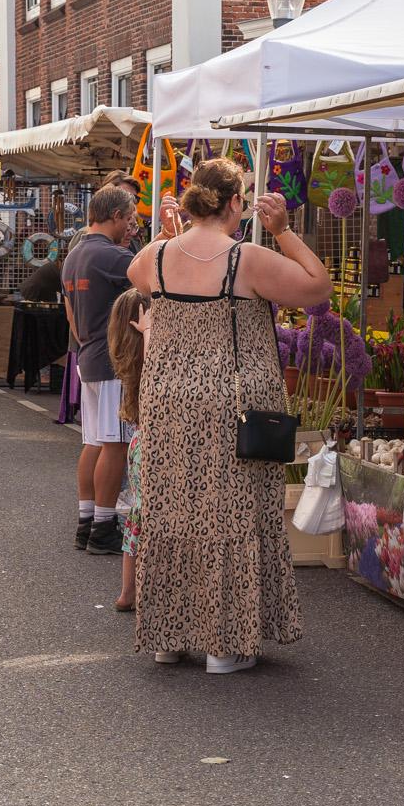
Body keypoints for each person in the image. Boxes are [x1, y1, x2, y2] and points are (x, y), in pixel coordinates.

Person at [127, 157, 329, 674]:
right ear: (236, 202)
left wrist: (171, 236)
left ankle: (169, 636)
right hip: (231, 403)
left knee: (173, 511)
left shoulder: (157, 255)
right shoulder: (247, 258)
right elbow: (317, 288)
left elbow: (136, 276)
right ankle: (225, 644)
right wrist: (283, 231)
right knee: (233, 514)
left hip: (167, 401)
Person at [61, 185, 138, 552]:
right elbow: (152, 275)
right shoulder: (110, 255)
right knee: (116, 445)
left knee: (94, 442)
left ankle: (87, 521)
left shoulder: (74, 254)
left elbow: (70, 313)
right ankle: (104, 526)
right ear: (116, 216)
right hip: (112, 361)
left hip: (88, 354)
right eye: (130, 219)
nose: (131, 227)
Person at [106, 287, 150, 613]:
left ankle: (127, 592)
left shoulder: (125, 357)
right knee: (153, 516)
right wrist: (149, 331)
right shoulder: (150, 355)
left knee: (137, 517)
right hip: (153, 445)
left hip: (137, 442)